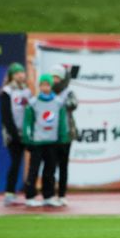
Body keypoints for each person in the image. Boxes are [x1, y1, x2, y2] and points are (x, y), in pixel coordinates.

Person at [23, 74, 69, 208]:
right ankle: (30, 196)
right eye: (42, 85)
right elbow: (28, 122)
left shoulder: (58, 102)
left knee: (50, 170)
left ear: (51, 86)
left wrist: (62, 138)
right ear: (39, 86)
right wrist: (28, 139)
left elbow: (62, 122)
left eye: (47, 85)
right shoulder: (33, 102)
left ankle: (48, 195)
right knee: (34, 170)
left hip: (52, 142)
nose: (45, 87)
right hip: (37, 142)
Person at [0, 62, 32, 206]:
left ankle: (30, 193)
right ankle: (9, 193)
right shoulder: (6, 91)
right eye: (17, 73)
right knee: (16, 162)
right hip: (13, 133)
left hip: (26, 132)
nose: (21, 75)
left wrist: (29, 131)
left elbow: (30, 112)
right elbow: (6, 116)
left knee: (33, 162)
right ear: (12, 75)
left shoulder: (27, 91)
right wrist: (14, 133)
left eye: (22, 72)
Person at [50, 64, 78, 207]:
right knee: (50, 166)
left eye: (58, 77)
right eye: (53, 77)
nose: (55, 80)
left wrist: (61, 102)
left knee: (63, 166)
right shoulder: (48, 91)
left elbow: (74, 104)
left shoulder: (68, 92)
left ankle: (62, 194)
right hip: (50, 135)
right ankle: (48, 194)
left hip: (66, 135)